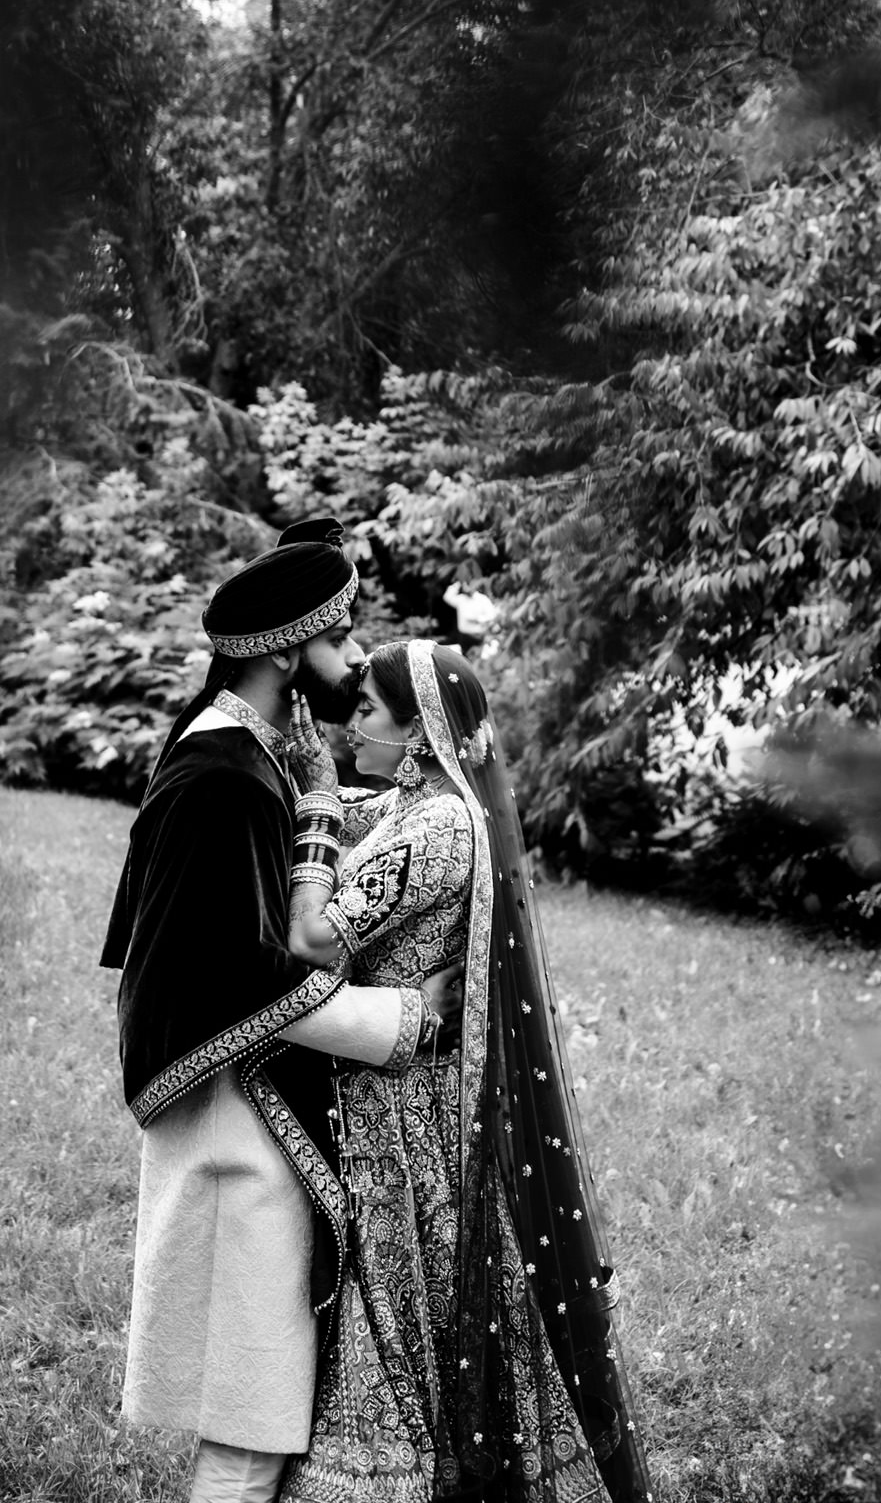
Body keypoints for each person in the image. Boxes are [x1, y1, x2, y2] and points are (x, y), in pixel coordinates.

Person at [102, 533, 464, 1503]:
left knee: (260, 1418)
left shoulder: (247, 758)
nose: (354, 664)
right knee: (251, 1427)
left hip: (250, 1109)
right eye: (341, 641)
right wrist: (403, 1022)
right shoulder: (216, 776)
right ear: (280, 654)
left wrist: (318, 809)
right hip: (232, 1117)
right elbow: (237, 972)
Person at [281, 638, 651, 1503]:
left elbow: (310, 935)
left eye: (367, 709)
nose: (351, 723)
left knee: (408, 1302)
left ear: (419, 732)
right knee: (418, 1301)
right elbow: (353, 828)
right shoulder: (420, 806)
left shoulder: (442, 824)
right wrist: (323, 799)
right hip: (391, 1089)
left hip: (408, 1112)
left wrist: (321, 809)